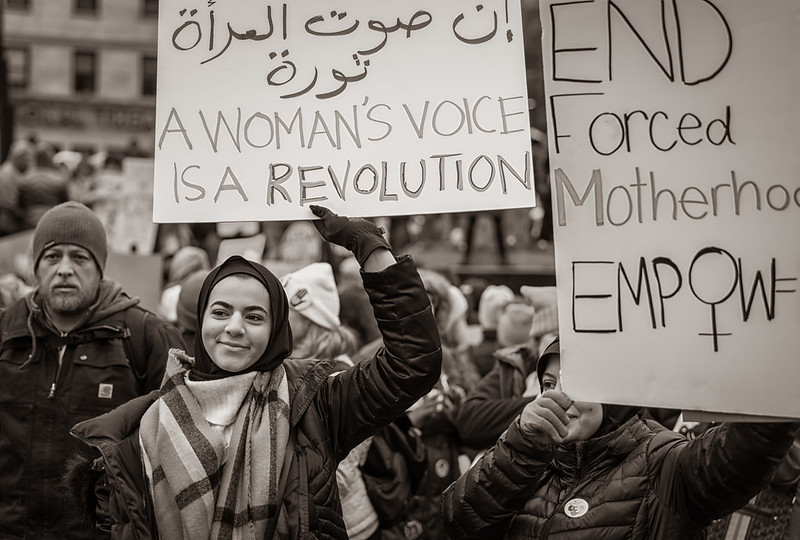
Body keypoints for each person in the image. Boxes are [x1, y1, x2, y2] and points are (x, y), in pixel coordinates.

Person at [66, 206, 442, 538]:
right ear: (201, 322)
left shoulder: (314, 406)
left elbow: (412, 363)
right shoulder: (142, 428)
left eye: (254, 316)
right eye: (220, 311)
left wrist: (370, 247)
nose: (233, 327)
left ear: (277, 328)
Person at [441, 338, 800, 539]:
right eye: (548, 385)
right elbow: (460, 522)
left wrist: (777, 363)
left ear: (613, 390)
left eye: (575, 382)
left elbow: (745, 452)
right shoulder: (525, 455)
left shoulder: (665, 461)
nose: (556, 398)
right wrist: (519, 445)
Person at [0, 201, 185, 538]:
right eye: (53, 257)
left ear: (100, 267)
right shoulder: (6, 334)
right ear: (35, 268)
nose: (65, 269)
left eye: (80, 258)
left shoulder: (146, 337)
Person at [281, 261, 378, 540]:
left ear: (312, 319)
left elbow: (341, 474)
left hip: (349, 526)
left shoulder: (339, 378)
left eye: (287, 310)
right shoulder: (289, 365)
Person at [0, 139, 32, 235]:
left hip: (13, 224)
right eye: (25, 159)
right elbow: (8, 203)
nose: (27, 163)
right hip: (7, 225)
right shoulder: (7, 174)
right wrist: (25, 215)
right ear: (18, 157)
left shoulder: (16, 172)